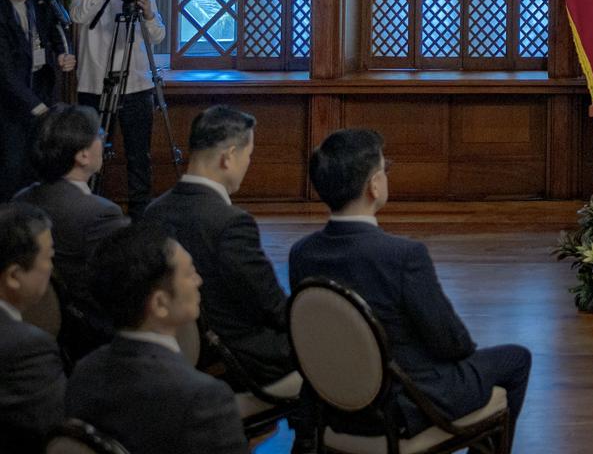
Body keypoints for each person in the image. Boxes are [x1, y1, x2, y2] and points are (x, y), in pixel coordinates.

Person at [289, 129, 530, 436]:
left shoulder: (302, 253)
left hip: (332, 404)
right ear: (374, 186)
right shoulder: (403, 256)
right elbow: (450, 342)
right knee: (516, 359)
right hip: (402, 405)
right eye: (384, 169)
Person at [144, 105, 295, 390]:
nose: (249, 164)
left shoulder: (154, 211)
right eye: (248, 156)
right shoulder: (231, 223)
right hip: (233, 358)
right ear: (228, 158)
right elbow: (270, 304)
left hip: (175, 348)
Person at [65, 224, 247, 454]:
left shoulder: (83, 372)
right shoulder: (204, 397)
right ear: (160, 303)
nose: (199, 281)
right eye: (190, 273)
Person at [12, 104, 127, 360]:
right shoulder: (101, 213)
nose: (103, 140)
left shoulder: (21, 199)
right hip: (92, 342)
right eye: (99, 134)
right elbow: (124, 287)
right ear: (83, 155)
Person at [70, 0, 167, 219]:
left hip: (137, 86)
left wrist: (148, 12)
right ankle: (89, 211)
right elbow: (79, 17)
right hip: (95, 88)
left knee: (139, 156)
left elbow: (158, 35)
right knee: (91, 153)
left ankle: (140, 213)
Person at [1, 0, 78, 202]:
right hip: (10, 100)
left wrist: (62, 53)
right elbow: (5, 71)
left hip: (42, 85)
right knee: (13, 167)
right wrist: (38, 108)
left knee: (41, 163)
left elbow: (56, 28)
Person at [0, 201, 64, 448]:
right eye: (48, 258)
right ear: (15, 276)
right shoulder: (27, 348)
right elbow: (54, 432)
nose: (51, 268)